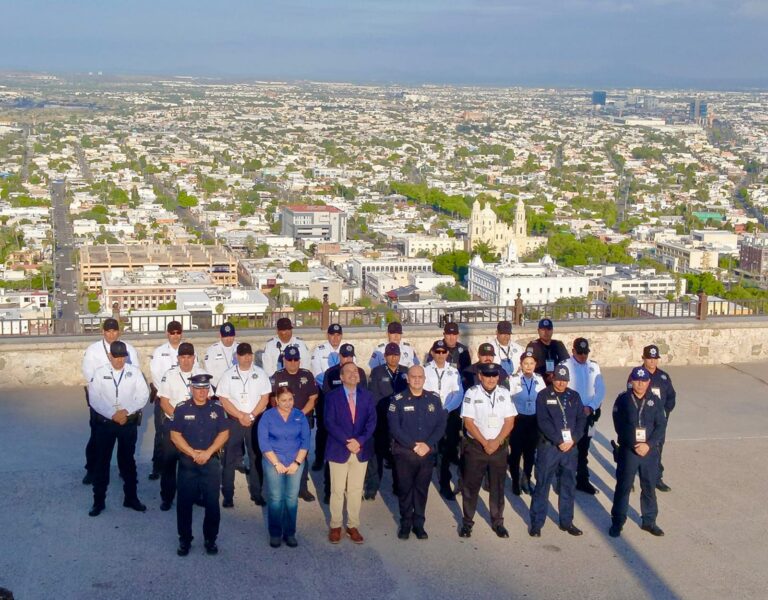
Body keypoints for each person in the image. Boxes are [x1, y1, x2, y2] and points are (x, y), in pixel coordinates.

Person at [86, 341, 150, 517]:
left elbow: (143, 395)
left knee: (128, 462)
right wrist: (111, 414)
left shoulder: (134, 372)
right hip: (105, 424)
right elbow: (94, 399)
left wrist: (126, 412)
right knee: (102, 463)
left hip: (127, 423)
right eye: (116, 357)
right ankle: (98, 501)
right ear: (109, 356)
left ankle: (131, 498)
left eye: (123, 357)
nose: (120, 361)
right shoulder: (100, 374)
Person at [170, 373, 230, 556]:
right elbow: (175, 435)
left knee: (212, 504)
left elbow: (224, 433)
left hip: (210, 461)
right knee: (184, 503)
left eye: (205, 388)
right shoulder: (181, 409)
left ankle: (210, 539)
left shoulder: (217, 408)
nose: (202, 391)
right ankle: (185, 540)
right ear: (191, 389)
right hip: (188, 462)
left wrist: (208, 452)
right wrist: (192, 453)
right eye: (198, 388)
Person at [388, 366, 447, 540]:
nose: (416, 379)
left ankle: (419, 524)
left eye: (420, 376)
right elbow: (394, 428)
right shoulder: (397, 400)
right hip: (405, 453)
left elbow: (440, 426)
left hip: (426, 454)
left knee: (421, 490)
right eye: (413, 376)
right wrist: (414, 446)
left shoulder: (434, 399)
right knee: (405, 490)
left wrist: (427, 445)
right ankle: (405, 523)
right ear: (407, 379)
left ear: (424, 378)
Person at [459, 363, 517, 538]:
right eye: (487, 375)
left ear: (498, 377)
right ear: (480, 376)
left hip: (498, 447)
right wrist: (485, 443)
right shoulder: (472, 393)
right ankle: (467, 522)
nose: (491, 379)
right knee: (471, 486)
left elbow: (510, 421)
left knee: (498, 486)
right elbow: (468, 422)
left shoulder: (504, 394)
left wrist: (497, 441)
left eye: (494, 375)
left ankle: (498, 522)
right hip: (476, 447)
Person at [528, 365, 587, 537]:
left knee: (568, 485)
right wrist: (559, 440)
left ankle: (566, 521)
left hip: (570, 448)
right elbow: (543, 421)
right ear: (553, 378)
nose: (561, 383)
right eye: (558, 379)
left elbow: (581, 420)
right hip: (550, 447)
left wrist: (573, 439)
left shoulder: (574, 396)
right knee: (543, 484)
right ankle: (537, 523)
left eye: (564, 380)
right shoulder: (544, 396)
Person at [610, 366, 668, 538]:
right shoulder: (623, 400)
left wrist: (648, 445)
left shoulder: (655, 400)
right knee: (623, 487)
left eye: (644, 381)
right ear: (631, 381)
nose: (640, 384)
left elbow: (661, 426)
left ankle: (649, 521)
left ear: (648, 382)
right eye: (637, 380)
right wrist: (635, 444)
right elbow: (619, 425)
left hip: (649, 452)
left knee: (649, 486)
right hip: (629, 451)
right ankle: (617, 522)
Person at [81, 318, 139, 485]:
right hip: (101, 401)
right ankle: (91, 469)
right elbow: (89, 374)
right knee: (96, 438)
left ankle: (124, 469)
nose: (111, 334)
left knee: (126, 441)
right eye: (108, 331)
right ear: (103, 332)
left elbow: (135, 371)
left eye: (114, 331)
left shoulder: (129, 349)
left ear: (118, 332)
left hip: (124, 402)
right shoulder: (93, 350)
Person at [324, 362, 377, 545]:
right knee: (337, 490)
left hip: (360, 449)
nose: (353, 374)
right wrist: (348, 441)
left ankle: (353, 525)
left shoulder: (368, 396)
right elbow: (330, 423)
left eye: (356, 371)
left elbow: (372, 422)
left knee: (355, 490)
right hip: (339, 448)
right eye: (349, 372)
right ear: (342, 377)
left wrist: (359, 441)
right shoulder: (332, 397)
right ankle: (336, 525)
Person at [216, 342, 271, 507]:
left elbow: (265, 398)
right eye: (243, 355)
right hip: (235, 421)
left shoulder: (260, 374)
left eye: (249, 354)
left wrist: (252, 415)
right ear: (237, 357)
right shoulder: (228, 375)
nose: (246, 358)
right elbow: (223, 399)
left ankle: (256, 493)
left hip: (255, 421)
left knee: (256, 457)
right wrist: (241, 415)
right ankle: (228, 495)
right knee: (229, 458)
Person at [157, 342, 207, 511]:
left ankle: (196, 495)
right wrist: (180, 420)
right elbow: (164, 402)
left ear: (194, 358)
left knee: (195, 462)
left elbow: (209, 399)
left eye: (189, 357)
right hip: (174, 424)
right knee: (169, 463)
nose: (186, 361)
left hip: (196, 426)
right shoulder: (169, 375)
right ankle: (167, 497)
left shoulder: (201, 374)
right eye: (182, 357)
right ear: (178, 358)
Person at [258, 386, 311, 548]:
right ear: (276, 401)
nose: (288, 403)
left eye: (290, 400)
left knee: (291, 498)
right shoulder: (267, 416)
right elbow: (264, 443)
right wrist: (276, 463)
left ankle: (290, 533)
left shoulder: (299, 415)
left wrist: (296, 463)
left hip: (295, 461)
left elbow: (306, 441)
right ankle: (275, 533)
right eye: (283, 401)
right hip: (273, 460)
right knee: (275, 498)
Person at [316, 344, 368, 502]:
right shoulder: (331, 373)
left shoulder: (359, 373)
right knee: (333, 460)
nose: (347, 359)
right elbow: (326, 396)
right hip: (337, 425)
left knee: (357, 461)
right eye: (344, 356)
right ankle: (328, 491)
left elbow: (363, 397)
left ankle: (356, 491)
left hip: (355, 424)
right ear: (340, 356)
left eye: (350, 356)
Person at [270, 345, 319, 501]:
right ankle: (284, 486)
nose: (292, 362)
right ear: (284, 360)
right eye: (289, 359)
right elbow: (272, 399)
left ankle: (302, 488)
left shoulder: (307, 375)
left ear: (299, 360)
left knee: (302, 454)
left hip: (302, 420)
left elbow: (313, 399)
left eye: (295, 359)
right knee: (282, 453)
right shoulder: (277, 376)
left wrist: (300, 414)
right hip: (283, 422)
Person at [560, 337, 605, 495]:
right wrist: (579, 409)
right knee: (568, 448)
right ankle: (564, 481)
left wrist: (591, 407)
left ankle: (582, 480)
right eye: (579, 353)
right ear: (573, 351)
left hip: (589, 414)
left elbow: (600, 390)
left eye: (585, 353)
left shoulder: (593, 366)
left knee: (583, 449)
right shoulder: (565, 366)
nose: (583, 356)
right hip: (572, 414)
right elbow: (563, 389)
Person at [365, 341, 409, 500]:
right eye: (390, 355)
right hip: (381, 419)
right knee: (376, 455)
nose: (393, 358)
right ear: (385, 356)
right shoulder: (377, 372)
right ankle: (372, 487)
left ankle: (398, 486)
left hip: (401, 421)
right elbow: (373, 396)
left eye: (396, 355)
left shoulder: (405, 372)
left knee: (398, 456)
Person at [423, 340, 463, 500]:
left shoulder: (453, 372)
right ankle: (422, 483)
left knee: (445, 452)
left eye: (443, 352)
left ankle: (444, 484)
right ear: (432, 352)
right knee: (427, 451)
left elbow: (458, 393)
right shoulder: (425, 370)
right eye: (437, 351)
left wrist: (446, 409)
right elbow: (422, 391)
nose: (440, 355)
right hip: (428, 415)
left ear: (447, 353)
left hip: (447, 415)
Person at [148, 320, 186, 480]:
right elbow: (156, 376)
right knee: (161, 434)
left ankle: (185, 466)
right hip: (164, 398)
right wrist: (165, 394)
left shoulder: (188, 350)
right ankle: (157, 467)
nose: (175, 336)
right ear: (167, 334)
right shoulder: (159, 352)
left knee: (186, 433)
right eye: (172, 332)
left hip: (183, 399)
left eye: (178, 332)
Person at [637, 344, 676, 492]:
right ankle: (636, 477)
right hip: (642, 421)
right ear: (643, 358)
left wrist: (665, 412)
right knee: (638, 448)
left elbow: (671, 397)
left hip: (659, 421)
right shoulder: (638, 375)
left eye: (655, 358)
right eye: (649, 358)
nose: (652, 362)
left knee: (658, 448)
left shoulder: (663, 377)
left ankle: (657, 478)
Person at [507, 350, 546, 495]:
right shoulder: (514, 379)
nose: (528, 366)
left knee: (530, 453)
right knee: (516, 453)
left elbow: (542, 399)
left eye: (531, 363)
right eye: (525, 363)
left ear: (535, 364)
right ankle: (515, 481)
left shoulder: (539, 379)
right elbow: (508, 398)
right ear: (521, 364)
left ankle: (526, 479)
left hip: (533, 420)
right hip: (518, 419)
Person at [526, 318, 569, 384]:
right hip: (539, 381)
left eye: (548, 329)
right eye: (543, 330)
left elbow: (566, 363)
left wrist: (555, 374)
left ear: (552, 330)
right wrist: (545, 376)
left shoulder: (558, 345)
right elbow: (529, 365)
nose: (546, 332)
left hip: (557, 380)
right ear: (538, 331)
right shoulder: (533, 346)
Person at [203, 322, 238, 391]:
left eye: (231, 336)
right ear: (220, 335)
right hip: (218, 389)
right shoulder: (212, 350)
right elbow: (209, 371)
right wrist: (221, 387)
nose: (228, 339)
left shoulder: (240, 348)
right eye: (226, 336)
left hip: (237, 388)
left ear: (235, 335)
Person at [310, 323, 344, 388]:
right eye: (332, 335)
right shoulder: (318, 351)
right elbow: (317, 374)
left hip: (343, 389)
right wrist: (330, 386)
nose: (335, 338)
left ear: (342, 336)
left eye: (338, 335)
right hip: (325, 388)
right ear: (327, 335)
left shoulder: (346, 349)